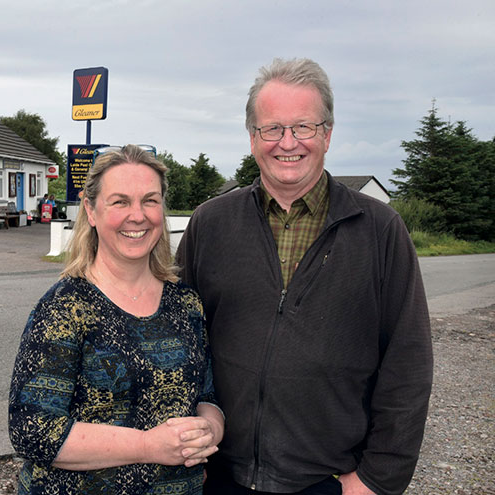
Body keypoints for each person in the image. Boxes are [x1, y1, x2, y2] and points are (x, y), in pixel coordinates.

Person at [176, 58, 433, 495]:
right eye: (272, 128)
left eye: (304, 127)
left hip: (329, 481)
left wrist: (376, 479)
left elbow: (407, 364)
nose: (287, 142)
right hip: (219, 475)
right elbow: (175, 340)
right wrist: (184, 453)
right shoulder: (211, 223)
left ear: (327, 134)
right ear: (252, 138)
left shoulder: (380, 229)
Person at [9, 144, 224, 494]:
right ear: (91, 212)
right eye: (120, 202)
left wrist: (210, 429)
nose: (137, 215)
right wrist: (148, 446)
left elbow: (208, 396)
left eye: (150, 201)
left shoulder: (186, 303)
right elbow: (31, 430)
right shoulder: (65, 307)